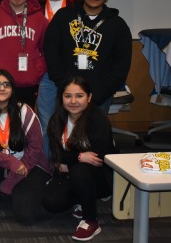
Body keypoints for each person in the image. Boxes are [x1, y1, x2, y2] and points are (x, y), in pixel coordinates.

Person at [44, 0, 132, 114]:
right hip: (65, 93)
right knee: (62, 135)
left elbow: (121, 66)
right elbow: (51, 52)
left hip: (99, 97)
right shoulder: (63, 17)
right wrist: (65, 87)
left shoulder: (118, 26)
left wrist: (99, 94)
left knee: (94, 136)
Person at [0, 70, 50, 223]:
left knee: (26, 217)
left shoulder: (25, 112)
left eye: (7, 85)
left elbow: (35, 149)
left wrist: (12, 180)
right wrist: (11, 162)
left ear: (13, 89)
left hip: (28, 165)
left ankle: (18, 188)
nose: (2, 88)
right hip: (1, 162)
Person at [43, 75, 115, 241]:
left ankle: (91, 221)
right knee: (51, 202)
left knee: (79, 170)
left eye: (79, 96)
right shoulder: (56, 120)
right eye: (68, 96)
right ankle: (83, 199)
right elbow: (56, 156)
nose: (73, 101)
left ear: (89, 97)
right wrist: (81, 156)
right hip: (71, 173)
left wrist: (71, 162)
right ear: (61, 98)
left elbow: (99, 157)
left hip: (101, 177)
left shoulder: (98, 119)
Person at [35, 0, 80, 154]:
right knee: (46, 121)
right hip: (43, 70)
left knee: (73, 120)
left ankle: (72, 161)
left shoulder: (77, 5)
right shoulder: (35, 6)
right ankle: (48, 164)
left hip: (71, 71)